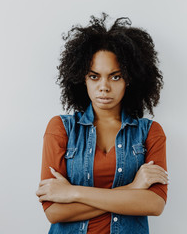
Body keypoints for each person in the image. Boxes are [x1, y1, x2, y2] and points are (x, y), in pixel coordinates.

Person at [36, 13, 169, 234]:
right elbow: (54, 211)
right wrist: (133, 188)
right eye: (94, 76)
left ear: (130, 79)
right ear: (82, 79)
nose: (104, 87)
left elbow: (154, 205)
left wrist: (73, 193)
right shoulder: (61, 129)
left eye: (115, 76)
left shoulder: (150, 133)